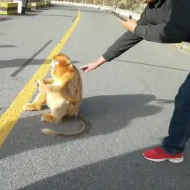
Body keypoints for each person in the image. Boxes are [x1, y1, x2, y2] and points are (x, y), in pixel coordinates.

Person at [80, 0, 190, 163]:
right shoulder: (151, 9)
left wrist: (137, 28)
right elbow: (132, 35)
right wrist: (99, 61)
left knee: (185, 101)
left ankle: (172, 149)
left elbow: (174, 31)